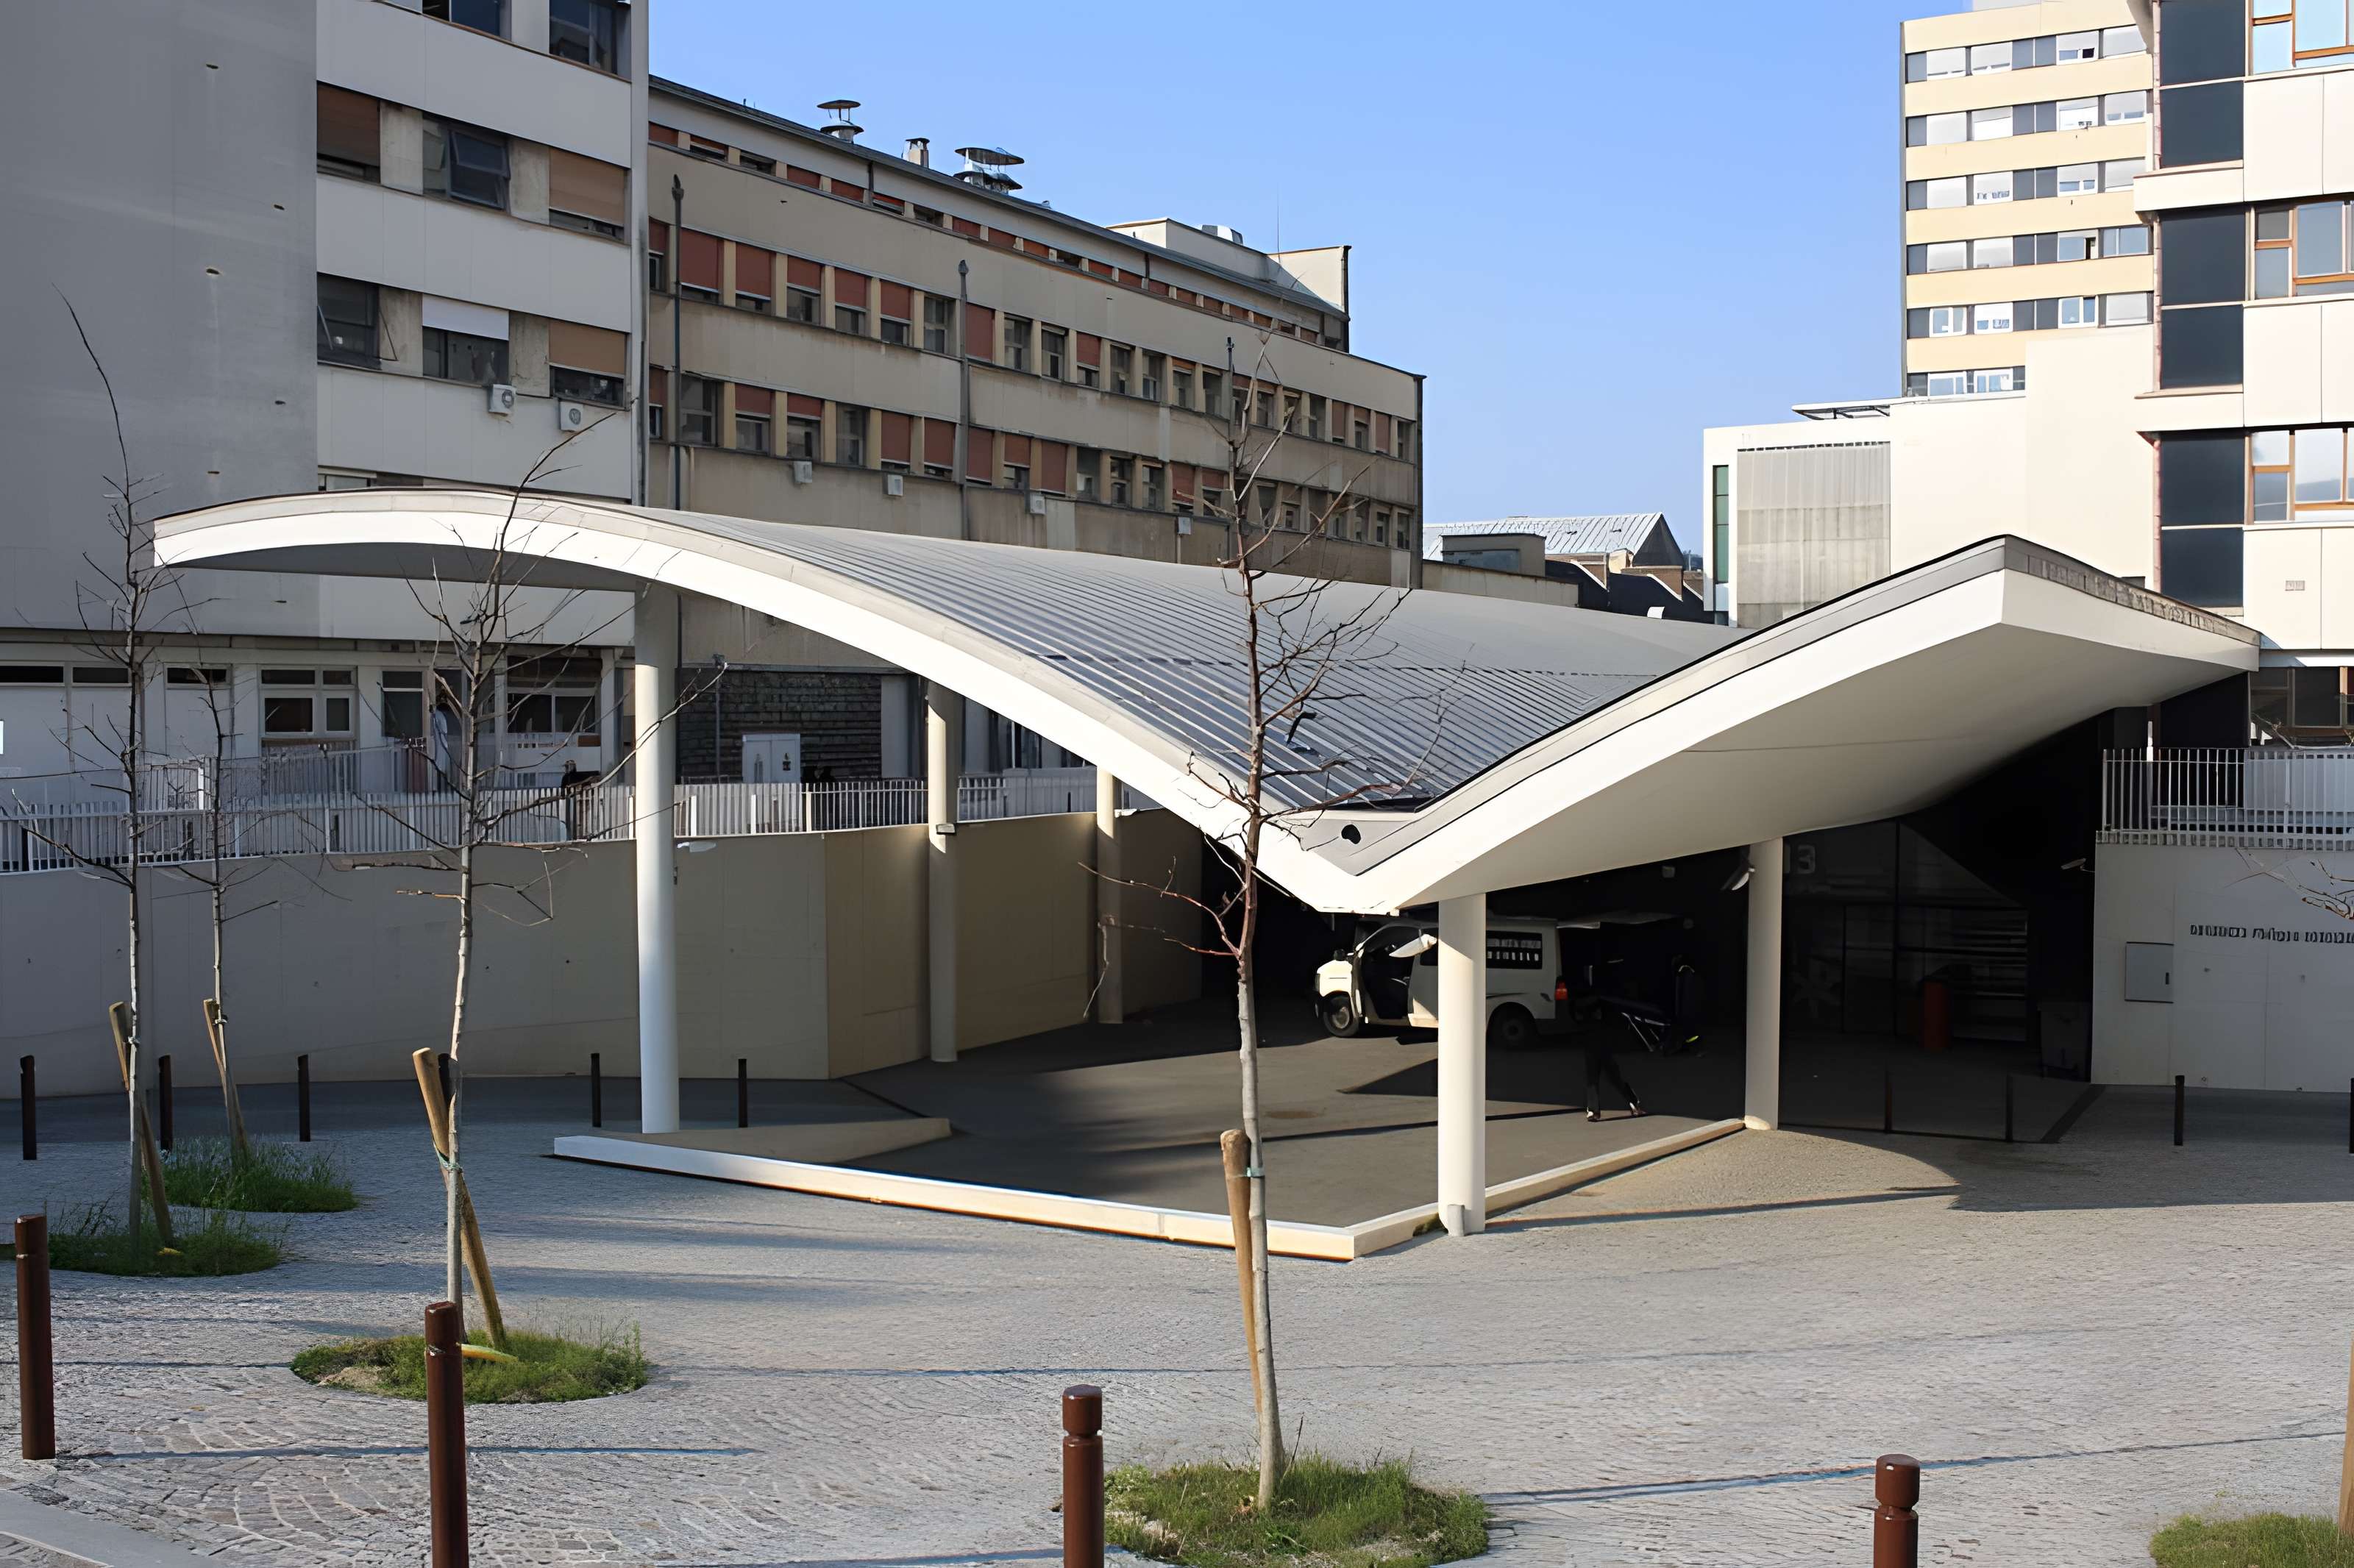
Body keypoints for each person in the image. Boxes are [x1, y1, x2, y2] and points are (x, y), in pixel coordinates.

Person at [1585, 1029, 1643, 1122]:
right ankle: (1593, 1110)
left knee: (1615, 1077)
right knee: (1592, 1079)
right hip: (1590, 1042)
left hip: (1603, 1042)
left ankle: (1633, 1102)